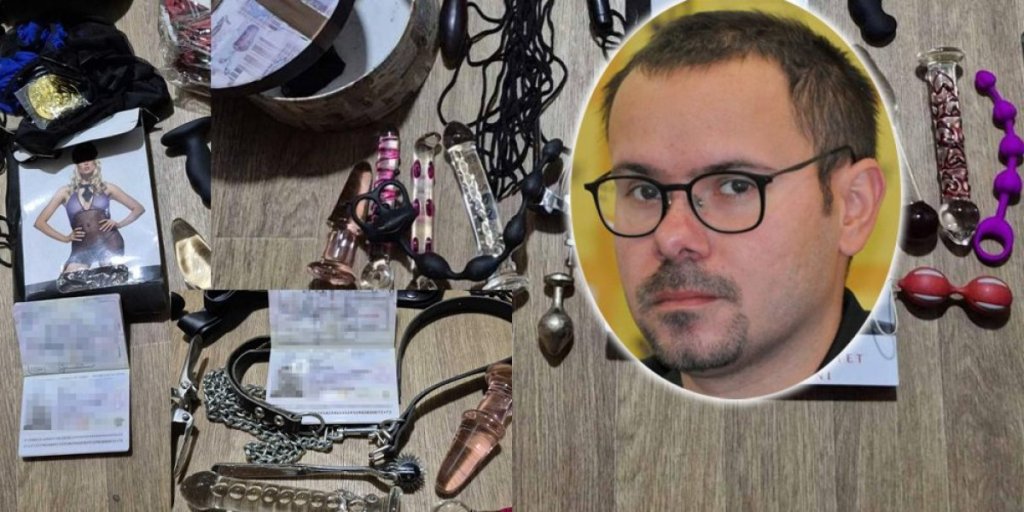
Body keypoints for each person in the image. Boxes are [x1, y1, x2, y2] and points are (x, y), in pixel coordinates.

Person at [584, 10, 886, 398]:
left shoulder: (924, 410)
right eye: (643, 191)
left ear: (853, 207)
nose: (672, 238)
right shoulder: (595, 411)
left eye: (734, 186)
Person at [34, 142, 146, 276]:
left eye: (89, 159)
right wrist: (65, 238)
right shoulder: (65, 192)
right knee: (69, 280)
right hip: (82, 245)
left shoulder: (107, 188)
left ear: (95, 163)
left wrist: (119, 224)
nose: (86, 163)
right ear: (76, 165)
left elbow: (138, 208)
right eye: (81, 160)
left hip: (109, 241)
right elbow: (40, 222)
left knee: (112, 278)